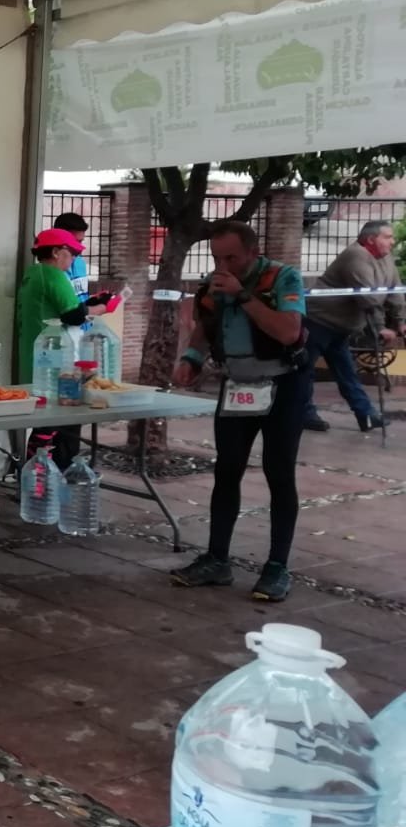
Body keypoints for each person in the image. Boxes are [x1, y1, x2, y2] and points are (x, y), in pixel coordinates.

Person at [170, 221, 311, 603]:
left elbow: (288, 332)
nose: (223, 265)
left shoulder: (282, 278)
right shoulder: (215, 284)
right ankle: (217, 559)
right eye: (217, 258)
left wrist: (244, 295)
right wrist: (191, 358)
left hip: (283, 384)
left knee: (278, 472)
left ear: (253, 252)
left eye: (231, 257)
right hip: (238, 386)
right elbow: (204, 325)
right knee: (227, 470)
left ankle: (277, 567)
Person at [16, 228, 110, 467]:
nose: (74, 259)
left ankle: (37, 474)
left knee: (47, 423)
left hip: (39, 358)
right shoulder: (54, 275)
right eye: (72, 254)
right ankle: (55, 475)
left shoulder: (33, 274)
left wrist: (91, 304)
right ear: (57, 252)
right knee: (61, 423)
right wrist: (101, 309)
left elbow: (64, 307)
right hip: (56, 362)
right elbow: (73, 315)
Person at [302, 220, 400, 433]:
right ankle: (304, 414)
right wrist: (380, 327)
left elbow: (395, 291)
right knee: (305, 370)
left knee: (347, 372)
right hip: (319, 321)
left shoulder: (385, 258)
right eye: (387, 237)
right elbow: (367, 296)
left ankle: (366, 415)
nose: (392, 241)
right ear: (371, 239)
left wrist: (401, 321)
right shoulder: (356, 256)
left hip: (341, 326)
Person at [53, 211, 91, 302]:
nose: (80, 248)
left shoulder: (80, 262)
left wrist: (95, 301)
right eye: (74, 242)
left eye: (81, 241)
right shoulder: (50, 272)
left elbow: (82, 298)